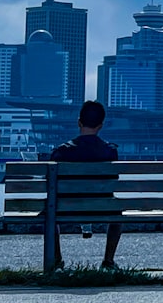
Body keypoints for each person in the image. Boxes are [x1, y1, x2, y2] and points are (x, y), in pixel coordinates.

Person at [49, 100, 122, 270]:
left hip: (65, 208)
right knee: (117, 213)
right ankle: (108, 262)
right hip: (102, 207)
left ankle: (57, 261)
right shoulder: (110, 151)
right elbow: (113, 180)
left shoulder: (61, 152)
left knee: (50, 212)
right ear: (101, 126)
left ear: (79, 122)